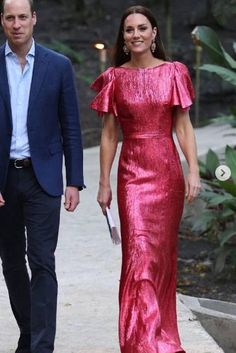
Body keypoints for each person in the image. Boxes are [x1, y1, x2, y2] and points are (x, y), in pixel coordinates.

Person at [90, 5, 201, 353]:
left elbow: (182, 125)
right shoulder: (114, 78)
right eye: (128, 30)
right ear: (123, 38)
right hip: (132, 175)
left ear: (154, 34)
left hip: (167, 172)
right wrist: (104, 182)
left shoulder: (174, 72)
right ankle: (141, 342)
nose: (135, 34)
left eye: (142, 28)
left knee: (163, 257)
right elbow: (109, 135)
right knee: (138, 255)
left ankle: (163, 337)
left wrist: (193, 169)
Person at [0, 0, 84, 352]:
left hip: (44, 178)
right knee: (11, 262)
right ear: (2, 21)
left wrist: (74, 180)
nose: (17, 24)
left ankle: (41, 346)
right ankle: (28, 332)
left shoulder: (58, 65)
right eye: (10, 17)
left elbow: (72, 127)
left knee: (42, 261)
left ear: (34, 19)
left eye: (23, 16)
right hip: (4, 179)